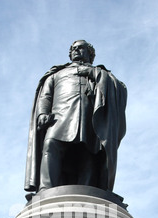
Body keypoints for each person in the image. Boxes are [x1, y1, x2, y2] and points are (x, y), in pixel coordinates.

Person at [24, 40, 127, 193]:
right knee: (51, 145)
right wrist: (42, 113)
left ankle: (86, 191)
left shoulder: (100, 73)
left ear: (90, 54)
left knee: (89, 153)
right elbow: (45, 96)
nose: (77, 50)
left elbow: (119, 89)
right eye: (74, 48)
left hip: (90, 119)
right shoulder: (57, 74)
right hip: (59, 118)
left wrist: (95, 74)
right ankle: (46, 189)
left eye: (81, 48)